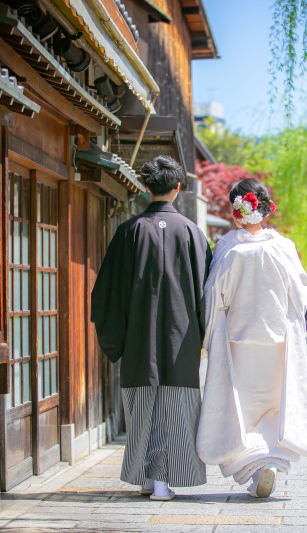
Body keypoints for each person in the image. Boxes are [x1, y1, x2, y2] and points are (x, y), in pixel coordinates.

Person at [90, 155, 212, 501]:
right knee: (175, 409)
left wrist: (117, 339)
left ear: (145, 187)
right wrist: (205, 336)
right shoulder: (192, 233)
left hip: (138, 341)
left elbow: (106, 295)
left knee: (143, 408)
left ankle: (150, 476)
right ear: (178, 187)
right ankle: (161, 480)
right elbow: (209, 293)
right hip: (182, 341)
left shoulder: (128, 231)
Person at [196, 178, 307, 499]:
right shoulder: (283, 247)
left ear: (237, 211)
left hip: (238, 340)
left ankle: (253, 471)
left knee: (239, 409)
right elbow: (300, 294)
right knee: (274, 405)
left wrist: (208, 337)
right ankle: (268, 464)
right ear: (263, 209)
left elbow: (213, 295)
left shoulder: (227, 247)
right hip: (276, 341)